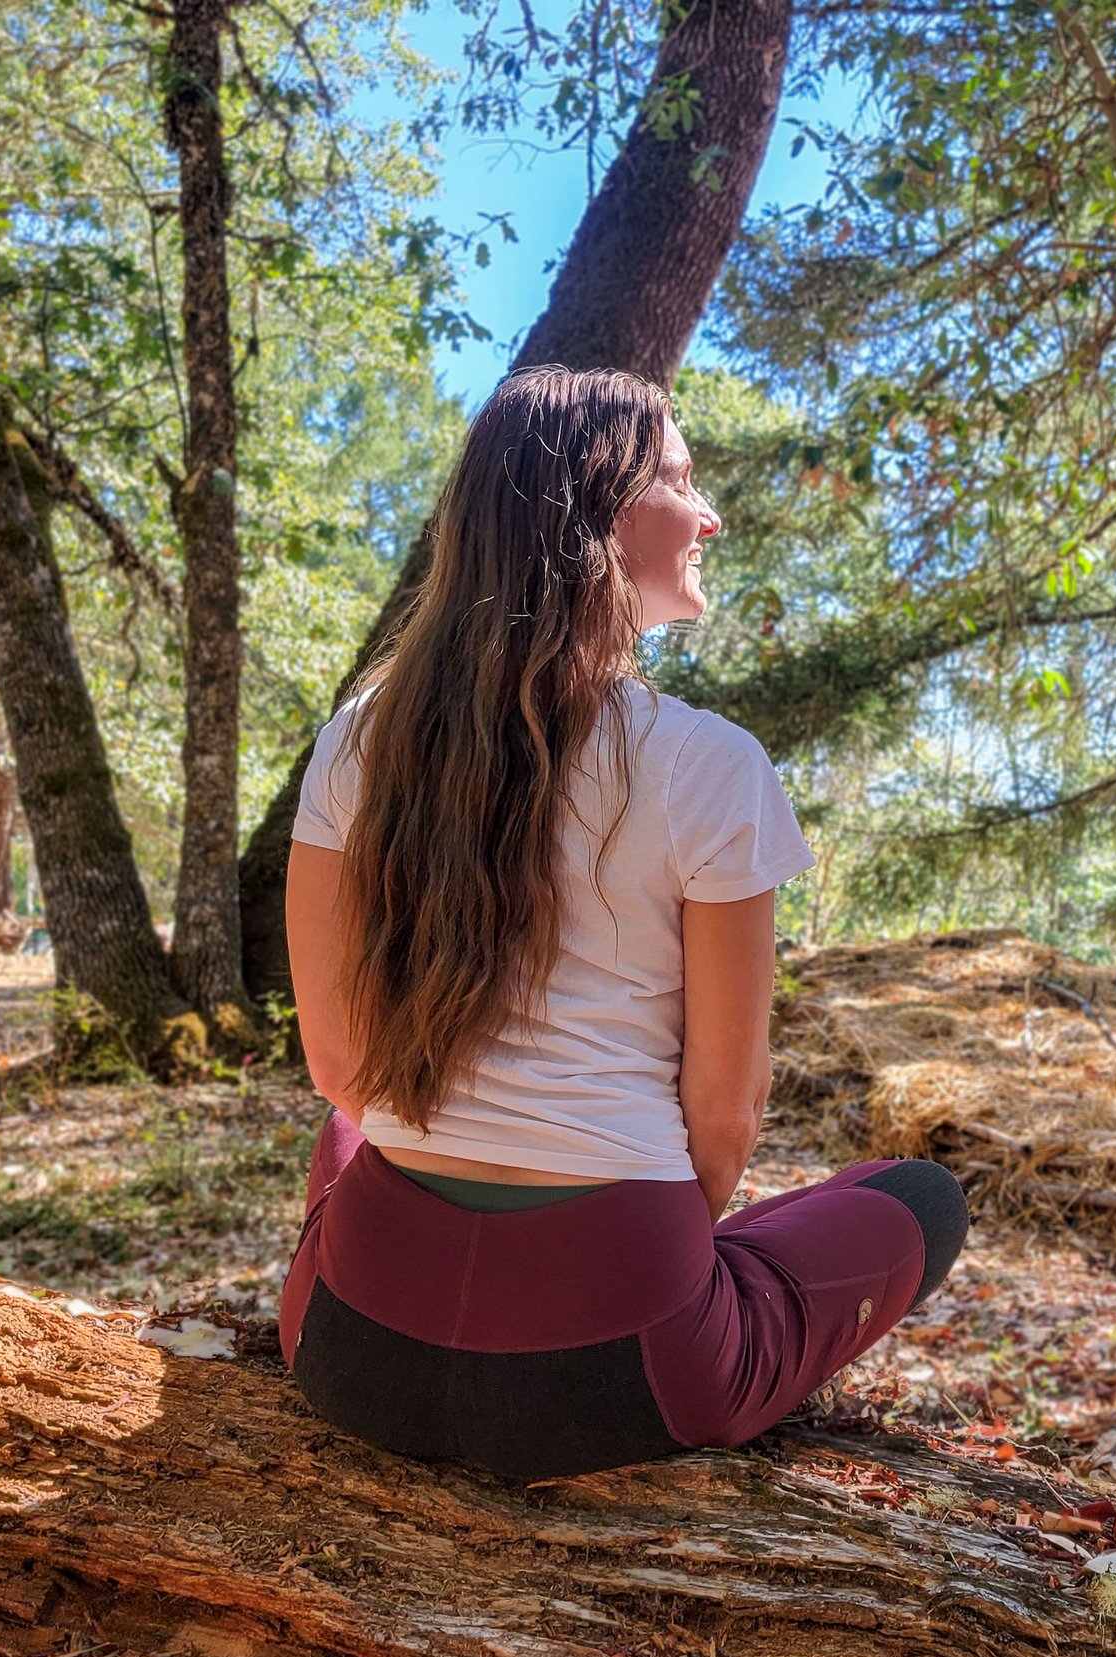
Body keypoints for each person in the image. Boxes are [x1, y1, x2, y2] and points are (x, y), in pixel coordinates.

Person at [277, 366, 966, 1479]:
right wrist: (611, 1248)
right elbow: (725, 1115)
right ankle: (681, 1288)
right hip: (626, 1371)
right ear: (597, 511)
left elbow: (339, 1061)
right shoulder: (710, 764)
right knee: (915, 1195)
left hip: (351, 1354)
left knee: (350, 1140)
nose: (710, 513)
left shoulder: (360, 738)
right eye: (683, 480)